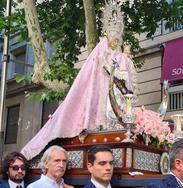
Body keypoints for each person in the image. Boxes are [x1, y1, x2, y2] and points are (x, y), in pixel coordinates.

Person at [21, 0, 137, 160]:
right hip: (103, 93)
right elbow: (96, 74)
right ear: (107, 34)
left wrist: (122, 67)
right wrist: (108, 67)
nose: (115, 39)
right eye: (113, 35)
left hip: (118, 96)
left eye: (118, 36)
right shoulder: (100, 51)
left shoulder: (122, 57)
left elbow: (126, 80)